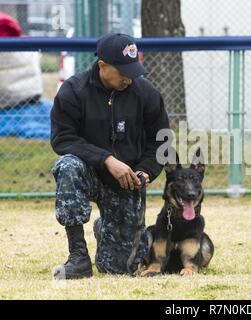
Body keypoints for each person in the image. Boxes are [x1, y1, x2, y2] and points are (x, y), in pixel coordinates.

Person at [50, 33, 170, 279]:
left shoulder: (146, 93)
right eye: (123, 71)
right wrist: (106, 159)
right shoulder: (73, 91)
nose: (130, 78)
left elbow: (162, 142)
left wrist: (146, 171)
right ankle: (78, 257)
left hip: (127, 182)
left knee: (119, 269)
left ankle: (104, 228)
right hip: (88, 173)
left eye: (133, 69)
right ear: (102, 66)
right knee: (67, 165)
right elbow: (63, 139)